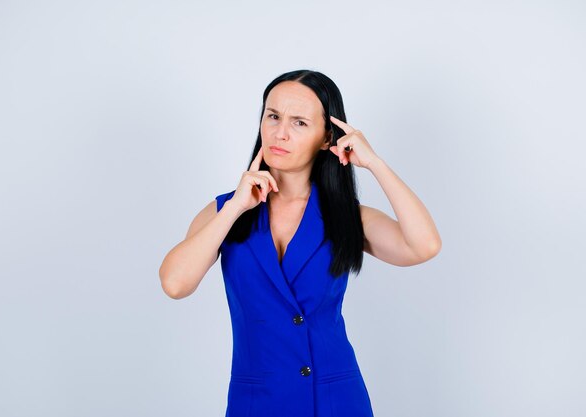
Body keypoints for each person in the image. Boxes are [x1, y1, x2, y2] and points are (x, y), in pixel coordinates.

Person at [158, 69, 442, 417]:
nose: (280, 133)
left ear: (327, 139)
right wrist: (235, 207)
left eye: (300, 123)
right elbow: (174, 284)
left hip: (336, 402)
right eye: (273, 117)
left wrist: (375, 164)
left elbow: (424, 246)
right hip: (256, 403)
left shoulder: (347, 217)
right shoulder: (225, 211)